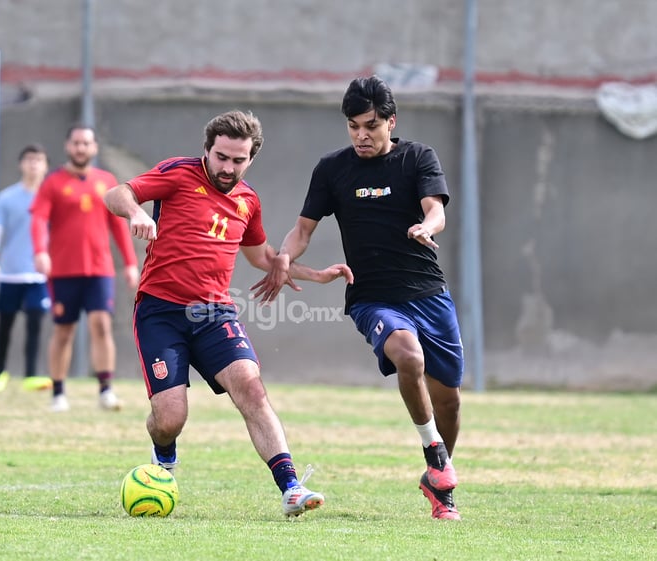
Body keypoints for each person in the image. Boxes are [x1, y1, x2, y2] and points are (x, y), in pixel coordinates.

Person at [103, 110, 353, 517]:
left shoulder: (248, 201)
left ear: (250, 158)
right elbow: (117, 192)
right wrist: (135, 212)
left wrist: (315, 274)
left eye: (238, 160)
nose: (227, 167)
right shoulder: (178, 174)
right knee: (170, 418)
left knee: (251, 387)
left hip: (214, 313)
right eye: (221, 157)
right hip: (160, 311)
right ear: (207, 149)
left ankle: (290, 487)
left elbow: (262, 257)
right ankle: (163, 450)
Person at [252, 76, 464, 520]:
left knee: (448, 400)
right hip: (372, 297)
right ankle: (436, 458)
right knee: (408, 355)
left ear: (391, 121)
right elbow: (303, 230)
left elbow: (436, 208)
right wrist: (285, 257)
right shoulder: (333, 169)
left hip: (428, 293)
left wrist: (428, 226)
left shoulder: (417, 157)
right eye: (353, 127)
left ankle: (438, 481)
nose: (361, 135)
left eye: (370, 125)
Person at [30, 124, 139, 413]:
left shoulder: (106, 181)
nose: (81, 148)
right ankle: (58, 393)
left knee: (101, 325)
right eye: (76, 142)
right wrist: (40, 251)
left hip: (100, 269)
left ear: (94, 148)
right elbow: (39, 220)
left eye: (86, 143)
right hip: (63, 269)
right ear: (68, 146)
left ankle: (105, 390)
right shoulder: (52, 183)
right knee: (64, 330)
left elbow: (119, 226)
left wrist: (130, 263)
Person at [0, 143, 53, 393]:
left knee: (36, 321)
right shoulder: (7, 198)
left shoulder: (53, 197)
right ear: (21, 164)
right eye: (29, 159)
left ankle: (31, 374)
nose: (33, 164)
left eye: (39, 159)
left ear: (46, 165)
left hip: (39, 275)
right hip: (10, 274)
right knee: (5, 324)